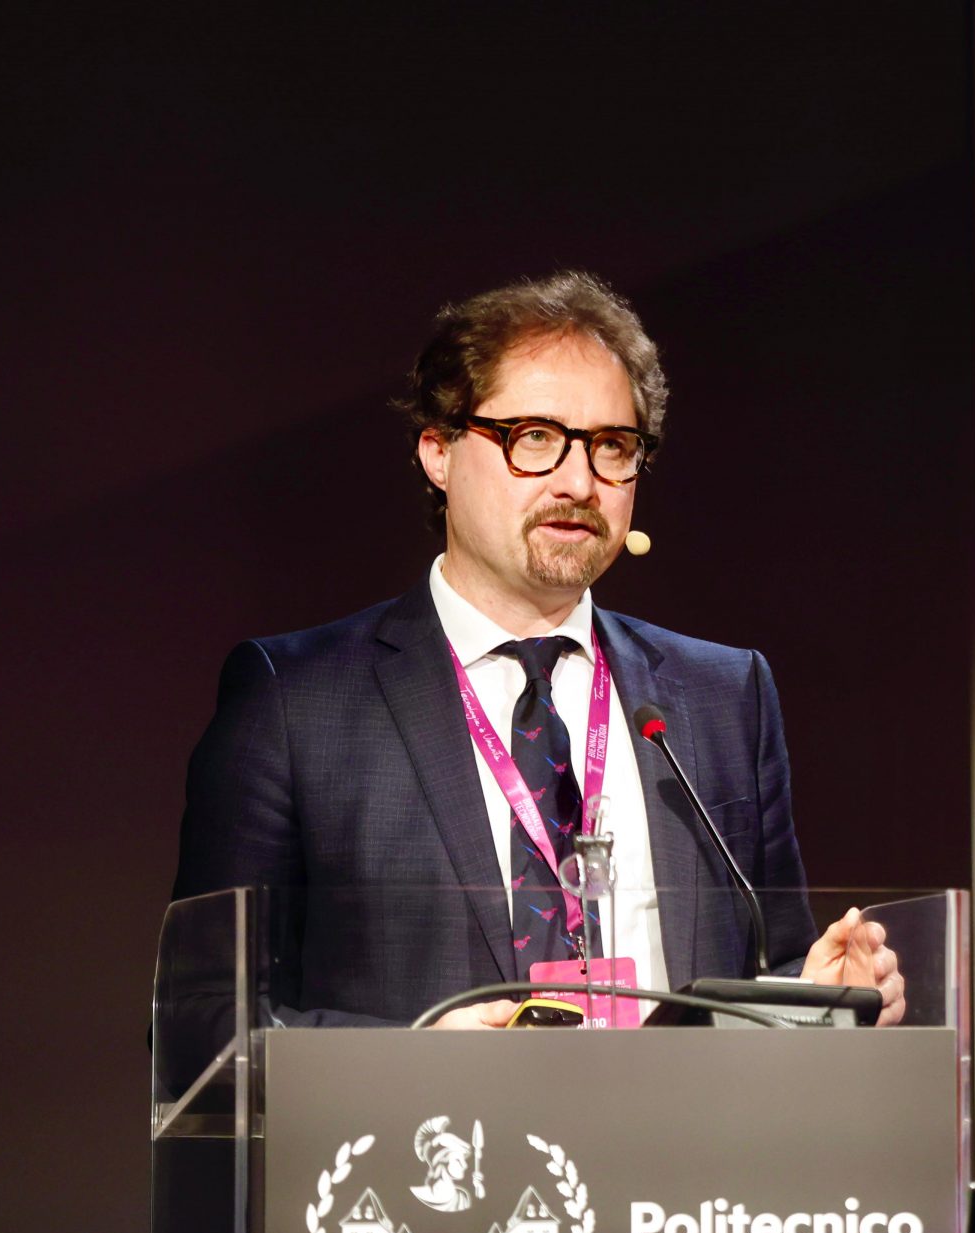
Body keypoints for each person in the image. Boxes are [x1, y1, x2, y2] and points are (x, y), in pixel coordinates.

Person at [172, 270, 903, 1030]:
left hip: (675, 1115)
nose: (579, 482)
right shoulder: (296, 702)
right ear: (438, 452)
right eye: (536, 439)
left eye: (612, 447)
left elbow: (772, 970)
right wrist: (413, 1062)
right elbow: (202, 1023)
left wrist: (822, 1001)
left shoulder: (724, 695)